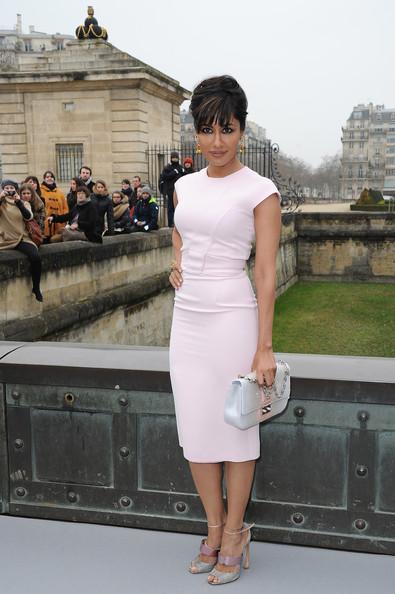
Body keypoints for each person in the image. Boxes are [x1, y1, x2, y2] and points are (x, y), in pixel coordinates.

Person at [168, 75, 281, 585]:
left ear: (242, 130)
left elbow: (264, 273)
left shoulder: (261, 190)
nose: (217, 141)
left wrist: (264, 348)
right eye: (207, 129)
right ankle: (213, 529)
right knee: (196, 434)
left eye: (227, 129)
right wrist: (176, 264)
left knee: (237, 433)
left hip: (234, 320)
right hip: (186, 321)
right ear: (195, 133)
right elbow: (181, 231)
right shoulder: (183, 185)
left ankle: (236, 533)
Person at [0, 180, 43, 301]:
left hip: (21, 238)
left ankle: (36, 287)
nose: (9, 190)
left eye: (11, 188)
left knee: (35, 257)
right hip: (5, 238)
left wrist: (18, 201)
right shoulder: (2, 203)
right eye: (6, 188)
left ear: (15, 189)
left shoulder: (23, 202)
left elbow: (28, 216)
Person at [40, 171, 68, 242]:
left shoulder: (60, 193)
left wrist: (63, 220)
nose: (49, 178)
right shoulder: (40, 192)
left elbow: (65, 208)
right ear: (44, 179)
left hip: (59, 222)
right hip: (46, 223)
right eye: (47, 177)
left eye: (51, 177)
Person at [159, 151, 184, 227]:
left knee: (179, 207)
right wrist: (174, 172)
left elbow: (184, 176)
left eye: (176, 158)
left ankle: (179, 223)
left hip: (179, 190)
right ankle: (171, 223)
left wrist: (183, 172)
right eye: (173, 158)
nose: (175, 159)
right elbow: (164, 176)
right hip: (170, 190)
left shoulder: (180, 167)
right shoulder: (167, 167)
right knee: (170, 207)